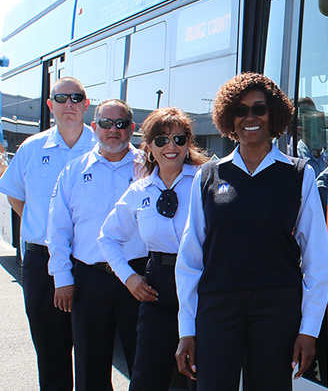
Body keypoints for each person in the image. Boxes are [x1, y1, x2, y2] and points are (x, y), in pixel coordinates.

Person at [175, 72, 328, 391]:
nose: (250, 117)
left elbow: (317, 260)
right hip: (218, 308)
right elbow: (190, 259)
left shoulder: (299, 175)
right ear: (229, 119)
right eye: (240, 110)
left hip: (277, 309)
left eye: (258, 108)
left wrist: (309, 330)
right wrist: (186, 330)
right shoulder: (208, 176)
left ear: (273, 114)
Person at [98, 107, 208, 391]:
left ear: (188, 143)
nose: (170, 147)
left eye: (179, 139)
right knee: (146, 380)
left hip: (202, 290)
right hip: (157, 290)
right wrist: (128, 277)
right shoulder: (139, 191)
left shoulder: (206, 183)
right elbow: (107, 238)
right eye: (161, 140)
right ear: (148, 147)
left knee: (201, 378)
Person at [0, 77, 96, 391]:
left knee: (92, 355)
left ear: (86, 103)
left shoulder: (105, 146)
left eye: (76, 97)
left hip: (89, 265)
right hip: (41, 266)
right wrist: (44, 228)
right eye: (61, 98)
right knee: (51, 354)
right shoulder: (32, 148)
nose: (69, 104)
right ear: (50, 105)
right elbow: (15, 194)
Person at [47, 99, 147, 391]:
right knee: (91, 371)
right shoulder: (74, 171)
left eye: (120, 124)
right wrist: (62, 279)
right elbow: (58, 229)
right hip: (90, 280)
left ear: (132, 128)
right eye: (105, 123)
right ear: (94, 127)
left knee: (146, 367)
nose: (113, 130)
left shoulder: (149, 167)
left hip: (139, 278)